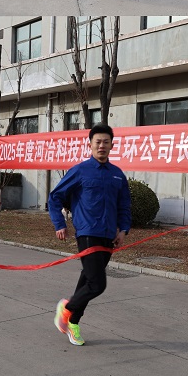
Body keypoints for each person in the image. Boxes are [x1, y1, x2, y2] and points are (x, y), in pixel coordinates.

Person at [49, 123, 132, 346]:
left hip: (109, 236)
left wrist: (123, 230)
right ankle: (67, 308)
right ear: (90, 144)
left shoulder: (117, 175)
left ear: (112, 145)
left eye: (106, 142)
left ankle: (73, 323)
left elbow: (124, 205)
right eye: (98, 142)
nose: (102, 145)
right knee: (97, 284)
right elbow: (55, 197)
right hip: (87, 232)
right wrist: (59, 224)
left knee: (87, 279)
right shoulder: (80, 170)